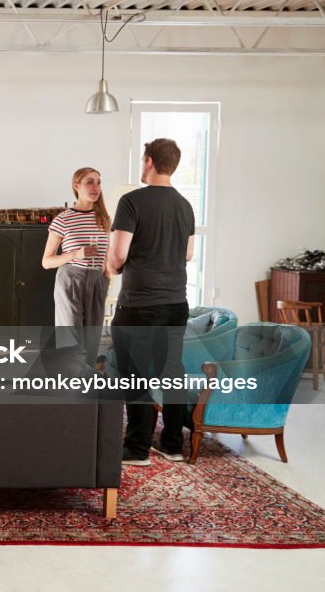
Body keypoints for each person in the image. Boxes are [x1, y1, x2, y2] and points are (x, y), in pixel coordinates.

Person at [107, 138, 196, 466]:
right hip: (176, 303)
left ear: (148, 161)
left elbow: (118, 255)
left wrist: (112, 265)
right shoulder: (185, 205)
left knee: (135, 374)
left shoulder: (131, 202)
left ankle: (138, 448)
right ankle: (172, 445)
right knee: (172, 372)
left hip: (139, 305)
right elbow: (188, 254)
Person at [42, 167, 111, 367]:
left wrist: (106, 278)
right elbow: (46, 261)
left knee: (92, 340)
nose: (95, 187)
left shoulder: (104, 219)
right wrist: (74, 254)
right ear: (76, 186)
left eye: (98, 182)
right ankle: (70, 388)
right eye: (89, 182)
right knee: (71, 340)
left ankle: (84, 389)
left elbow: (106, 255)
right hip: (71, 279)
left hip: (97, 281)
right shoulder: (63, 219)